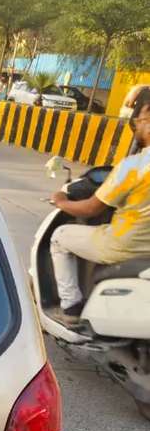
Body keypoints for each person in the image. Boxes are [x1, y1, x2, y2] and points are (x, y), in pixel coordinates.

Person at [48, 90, 150, 324]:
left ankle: (70, 306)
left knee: (59, 236)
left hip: (124, 245)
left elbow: (91, 209)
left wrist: (62, 202)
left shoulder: (133, 166)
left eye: (142, 119)